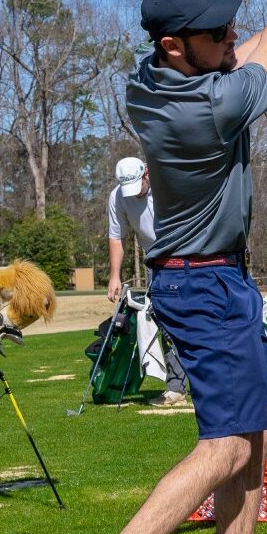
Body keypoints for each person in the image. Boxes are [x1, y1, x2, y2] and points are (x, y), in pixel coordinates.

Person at [54, 0, 267, 534]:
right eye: (215, 32)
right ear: (173, 45)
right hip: (199, 284)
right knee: (226, 445)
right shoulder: (205, 111)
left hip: (214, 275)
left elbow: (249, 52)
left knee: (256, 430)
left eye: (229, 27)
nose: (231, 38)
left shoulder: (160, 80)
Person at [107, 156, 190, 407]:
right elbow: (116, 237)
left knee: (195, 322)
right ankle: (176, 389)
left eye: (138, 186)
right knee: (166, 325)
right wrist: (114, 275)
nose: (134, 194)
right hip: (156, 263)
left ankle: (210, 384)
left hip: (188, 257)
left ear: (147, 175)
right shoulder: (118, 197)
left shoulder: (169, 187)